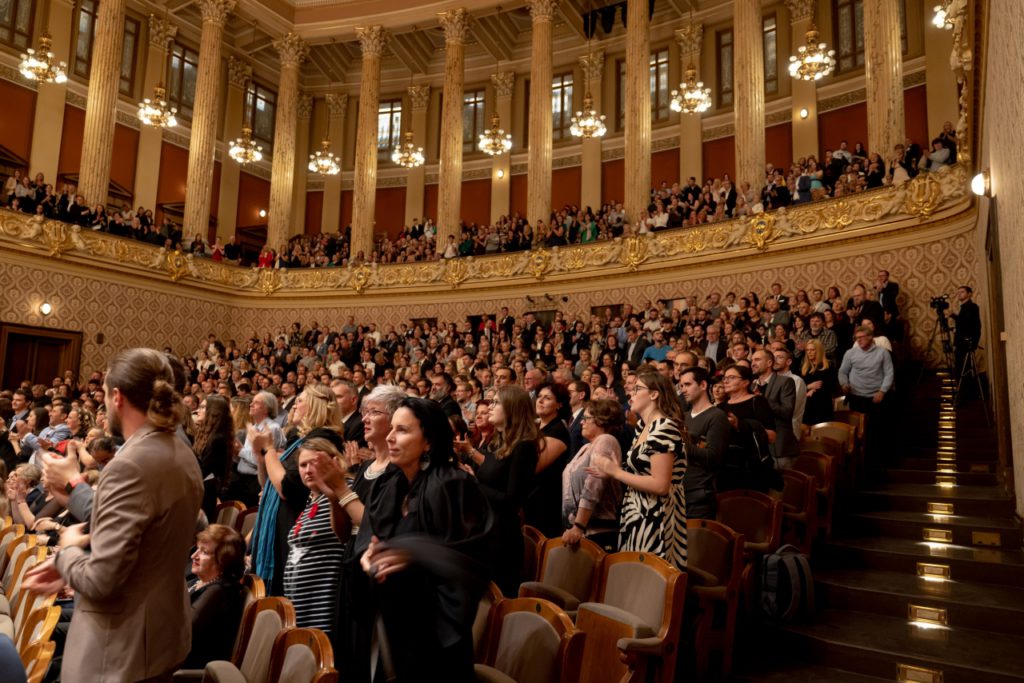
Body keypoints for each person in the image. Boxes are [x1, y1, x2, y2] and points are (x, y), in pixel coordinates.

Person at [24, 348, 204, 682]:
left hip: (119, 650)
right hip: (160, 637)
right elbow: (150, 538)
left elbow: (100, 580)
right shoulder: (181, 452)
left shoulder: (129, 465)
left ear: (117, 397)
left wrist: (68, 552)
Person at [357, 398, 495, 681]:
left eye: (403, 430)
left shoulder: (453, 484)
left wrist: (412, 552)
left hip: (435, 634)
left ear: (429, 441)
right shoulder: (388, 484)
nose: (391, 437)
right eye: (392, 428)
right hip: (394, 622)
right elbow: (371, 537)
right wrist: (368, 554)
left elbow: (471, 558)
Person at [306, 384, 407, 683]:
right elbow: (343, 534)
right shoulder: (364, 469)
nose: (364, 418)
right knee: (348, 654)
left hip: (377, 574)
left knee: (369, 657)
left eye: (373, 412)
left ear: (394, 420)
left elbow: (373, 526)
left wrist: (340, 488)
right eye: (363, 411)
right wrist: (333, 495)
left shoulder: (398, 471)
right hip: (350, 565)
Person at [249, 384, 344, 596]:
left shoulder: (322, 440)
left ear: (316, 406)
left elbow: (287, 489)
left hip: (294, 524)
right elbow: (269, 485)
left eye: (300, 401)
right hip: (280, 523)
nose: (294, 406)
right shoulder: (300, 440)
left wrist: (270, 449)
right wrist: (261, 457)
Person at [589, 370, 688, 568]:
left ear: (654, 394)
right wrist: (616, 470)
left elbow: (661, 485)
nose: (630, 394)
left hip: (656, 515)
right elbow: (641, 472)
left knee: (648, 579)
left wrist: (617, 472)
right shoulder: (644, 426)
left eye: (637, 389)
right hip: (637, 510)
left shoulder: (664, 427)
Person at [457, 385, 538, 597]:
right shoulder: (500, 444)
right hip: (486, 531)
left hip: (501, 539)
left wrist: (473, 483)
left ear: (512, 409)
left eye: (496, 403)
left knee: (494, 605)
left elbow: (511, 501)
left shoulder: (524, 447)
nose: (490, 407)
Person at [285, 438, 347, 634]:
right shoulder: (311, 500)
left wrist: (333, 497)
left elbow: (344, 535)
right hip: (301, 606)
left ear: (333, 462)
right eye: (303, 465)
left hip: (323, 603)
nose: (308, 470)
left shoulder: (345, 489)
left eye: (314, 463)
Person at [561, 398, 623, 550]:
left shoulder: (606, 440)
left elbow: (593, 487)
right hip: (581, 530)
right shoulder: (587, 447)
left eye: (586, 418)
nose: (582, 422)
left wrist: (578, 526)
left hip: (597, 532)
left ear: (602, 420)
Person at [184, 524, 247, 669]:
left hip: (189, 669)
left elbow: (185, 630)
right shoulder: (197, 581)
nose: (194, 556)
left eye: (204, 552)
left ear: (223, 560)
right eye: (197, 549)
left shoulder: (219, 592)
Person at [719, 365, 779, 492]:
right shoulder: (720, 407)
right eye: (724, 378)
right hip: (725, 467)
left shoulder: (757, 401)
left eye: (731, 377)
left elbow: (772, 436)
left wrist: (740, 425)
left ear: (745, 382)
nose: (725, 381)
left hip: (751, 467)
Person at [679, 366, 729, 520]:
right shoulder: (684, 416)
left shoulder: (717, 416)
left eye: (688, 385)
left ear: (703, 385)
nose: (683, 390)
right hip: (680, 492)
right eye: (681, 386)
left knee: (695, 544)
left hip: (700, 496)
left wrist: (683, 444)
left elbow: (713, 457)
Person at [525, 382, 571, 538]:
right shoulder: (535, 427)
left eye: (547, 398)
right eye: (539, 397)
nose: (540, 401)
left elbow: (533, 466)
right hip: (529, 498)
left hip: (544, 502)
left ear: (559, 405)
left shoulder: (557, 430)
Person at [192, 395, 236, 521]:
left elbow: (203, 470)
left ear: (214, 412)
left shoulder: (217, 438)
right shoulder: (206, 433)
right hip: (202, 487)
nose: (198, 410)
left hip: (206, 491)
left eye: (203, 407)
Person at [799, 339, 837, 426]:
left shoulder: (828, 365)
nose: (809, 352)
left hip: (823, 405)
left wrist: (813, 391)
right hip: (807, 406)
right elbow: (801, 386)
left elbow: (831, 386)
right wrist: (809, 387)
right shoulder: (805, 368)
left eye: (812, 350)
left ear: (819, 350)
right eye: (807, 350)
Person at [951, 285, 981, 379]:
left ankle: (965, 391)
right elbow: (964, 322)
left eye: (962, 292)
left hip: (965, 343)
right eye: (958, 292)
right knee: (960, 368)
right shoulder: (965, 307)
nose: (959, 294)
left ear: (969, 294)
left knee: (964, 369)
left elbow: (968, 324)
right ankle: (963, 390)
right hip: (962, 342)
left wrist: (954, 317)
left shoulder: (972, 307)